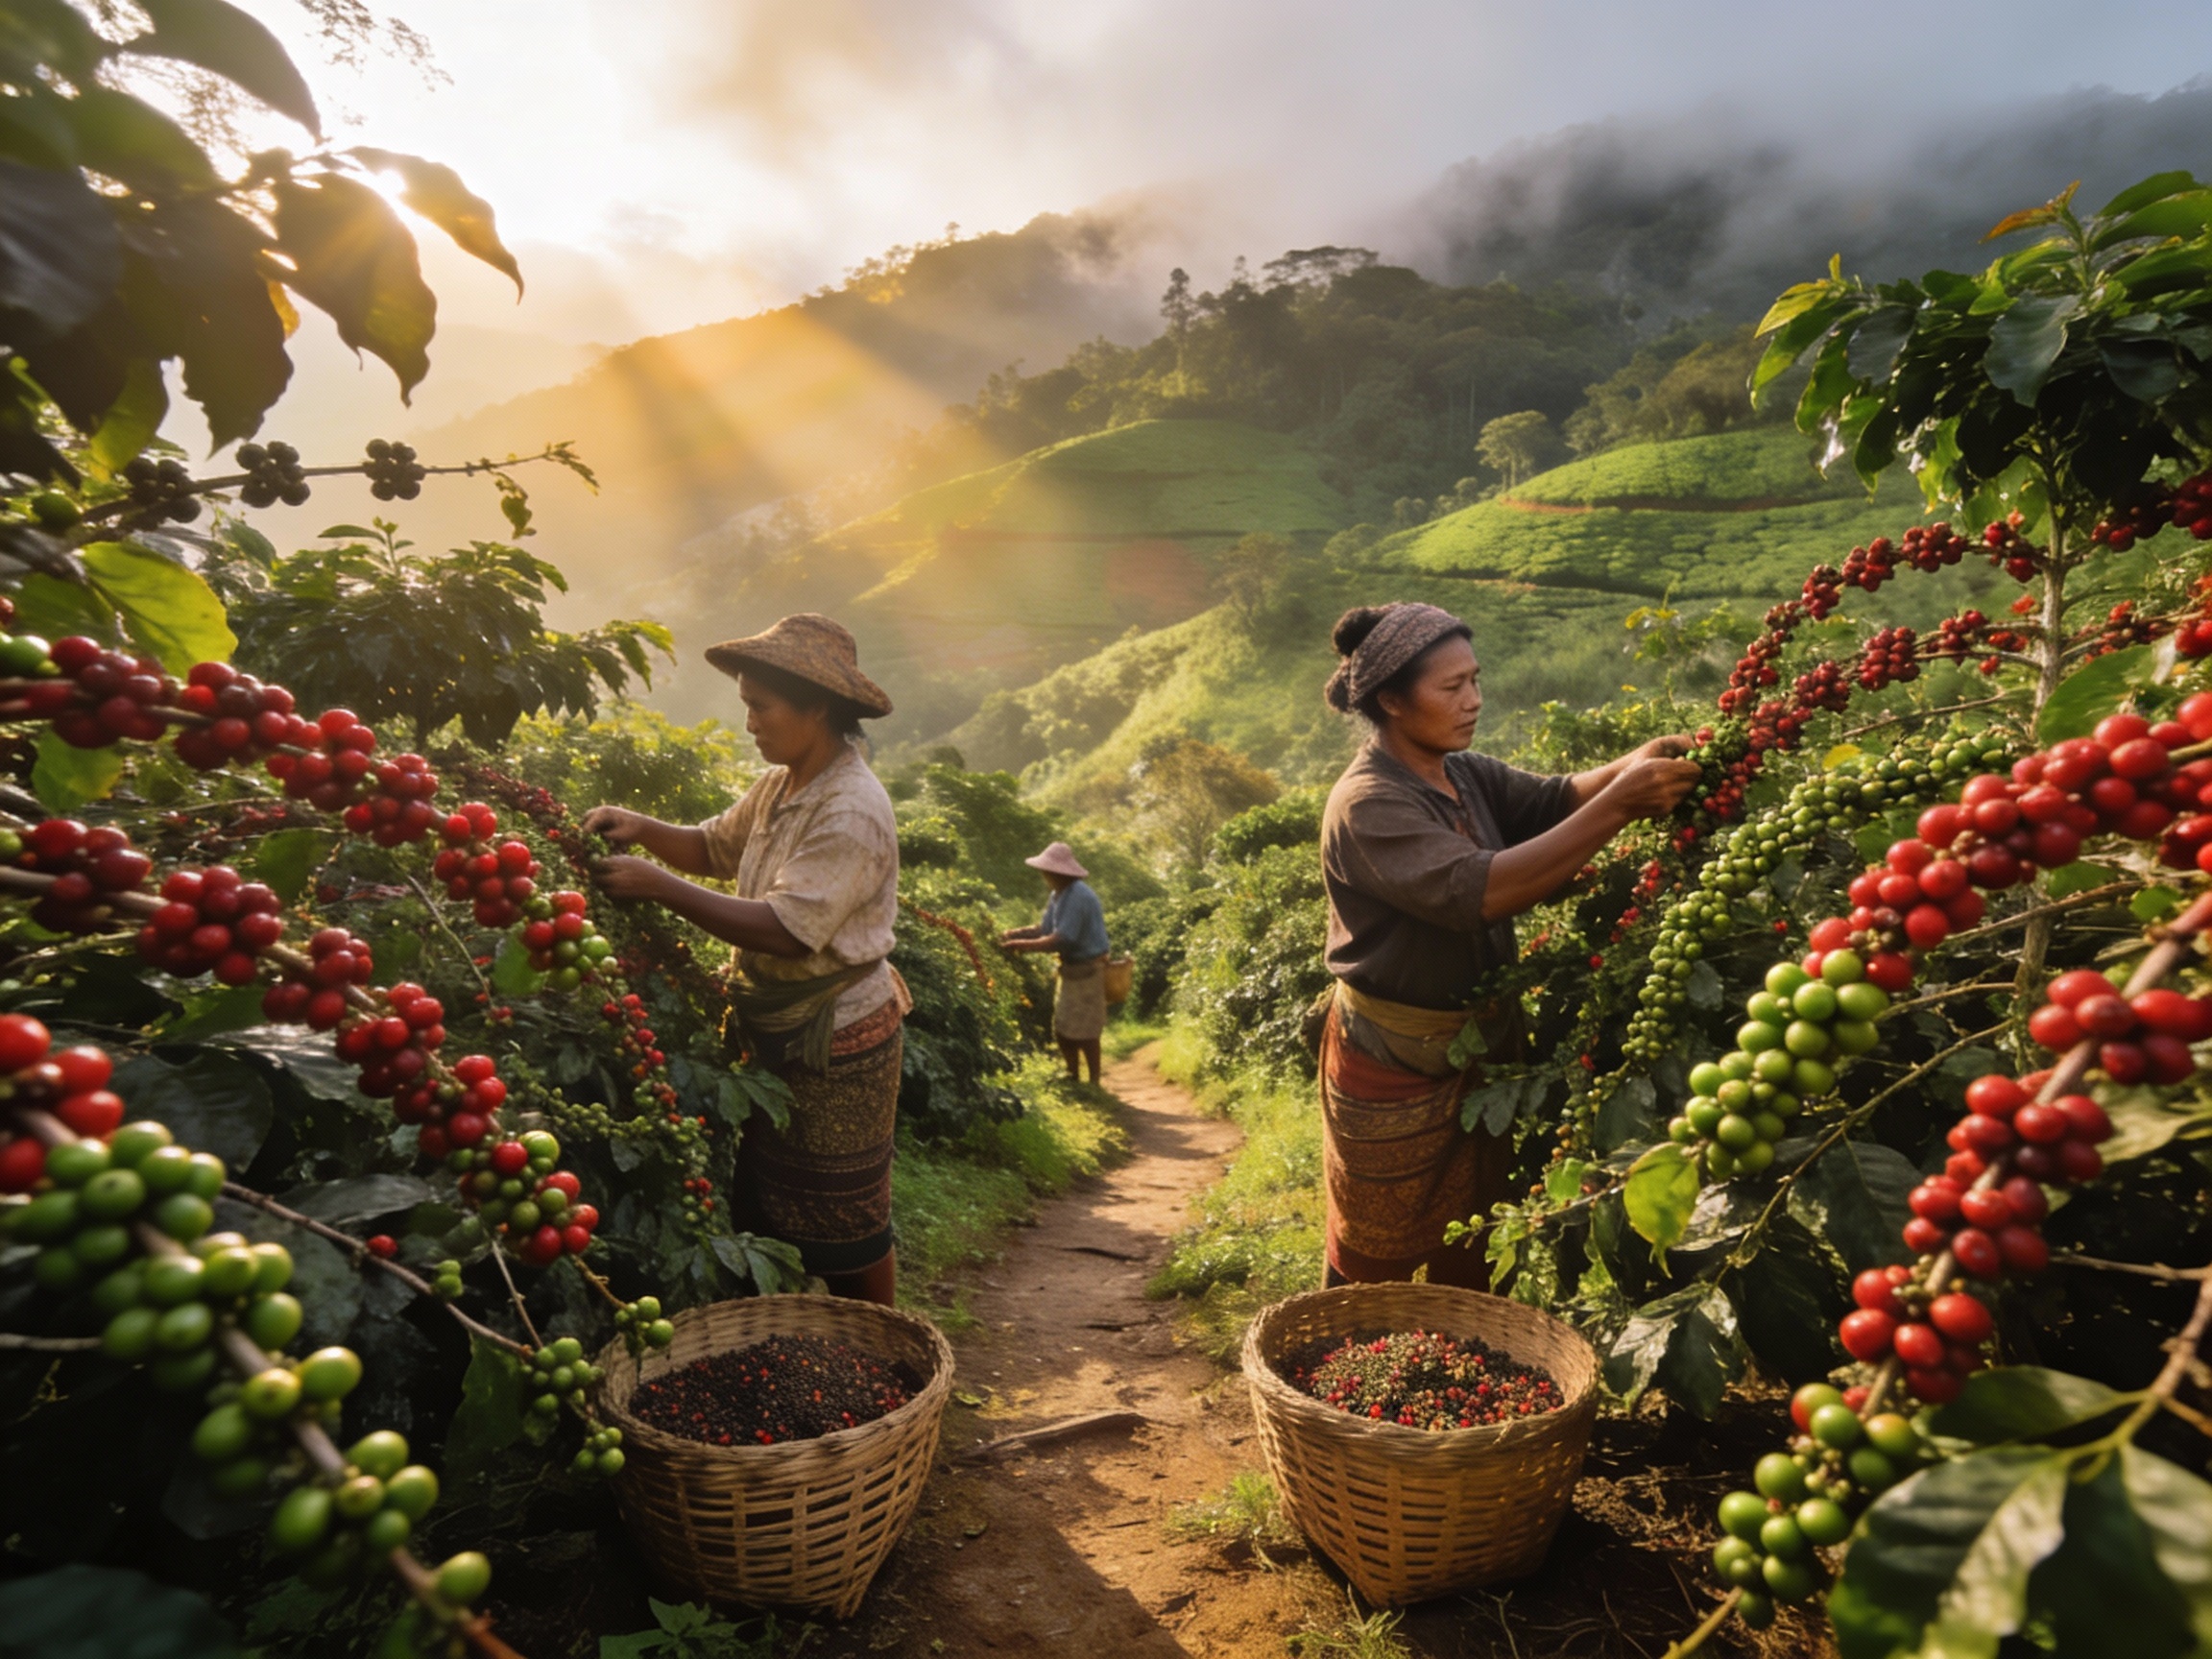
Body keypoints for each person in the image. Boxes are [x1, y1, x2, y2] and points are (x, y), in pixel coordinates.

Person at [1316, 601, 1702, 1288]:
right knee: (1379, 1245)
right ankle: (1340, 1374)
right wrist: (1622, 805)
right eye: (1452, 687)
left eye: (1476, 680)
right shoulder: (1370, 803)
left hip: (1478, 1055)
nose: (1474, 701)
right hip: (1395, 1060)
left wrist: (1632, 766)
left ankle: (1459, 1371)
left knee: (1472, 1238)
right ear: (1392, 702)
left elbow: (1555, 799)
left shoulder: (1461, 772)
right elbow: (1484, 892)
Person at [581, 613, 906, 1306]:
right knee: (778, 1200)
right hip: (778, 1029)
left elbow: (789, 931)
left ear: (817, 707)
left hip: (838, 1038)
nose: (751, 723)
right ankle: (814, 1343)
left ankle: (887, 1348)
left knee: (846, 1213)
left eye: (761, 707)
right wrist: (641, 827)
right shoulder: (783, 784)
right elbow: (713, 847)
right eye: (747, 707)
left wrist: (657, 886)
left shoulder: (850, 809)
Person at [998, 842, 1109, 1085]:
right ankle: (1072, 1075)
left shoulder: (1078, 895)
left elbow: (1063, 939)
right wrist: (1013, 935)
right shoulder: (1058, 894)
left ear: (1059, 872)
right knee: (1062, 1028)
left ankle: (1094, 1082)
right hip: (1071, 970)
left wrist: (1021, 947)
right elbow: (1045, 929)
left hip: (1088, 969)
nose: (1044, 876)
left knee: (1088, 1030)